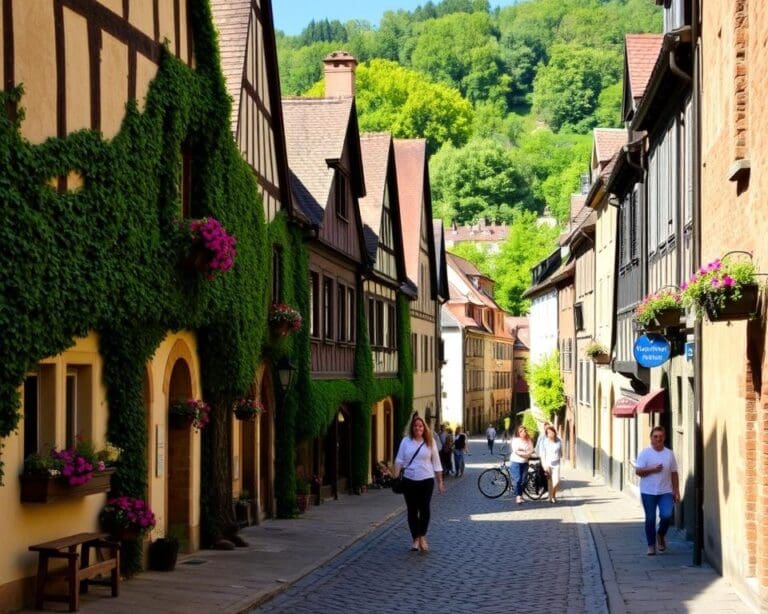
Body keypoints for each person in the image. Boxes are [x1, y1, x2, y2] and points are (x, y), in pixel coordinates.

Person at [394, 415, 445, 552]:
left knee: (424, 509)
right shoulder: (406, 441)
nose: (418, 428)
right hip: (409, 480)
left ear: (424, 428)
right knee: (412, 510)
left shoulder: (430, 442)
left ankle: (422, 536)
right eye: (416, 426)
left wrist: (440, 482)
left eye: (420, 426)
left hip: (426, 480)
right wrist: (396, 477)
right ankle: (415, 538)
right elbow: (399, 460)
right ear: (412, 427)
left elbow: (436, 462)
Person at [635, 425, 680, 556]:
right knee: (650, 518)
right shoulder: (645, 453)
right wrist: (652, 469)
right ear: (651, 438)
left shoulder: (669, 454)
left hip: (665, 491)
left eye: (660, 437)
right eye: (655, 437)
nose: (658, 439)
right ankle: (651, 545)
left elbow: (674, 472)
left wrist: (676, 490)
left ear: (664, 438)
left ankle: (660, 535)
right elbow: (638, 471)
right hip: (648, 491)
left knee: (666, 515)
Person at [509, 425, 534, 505]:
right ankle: (518, 496)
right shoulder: (515, 440)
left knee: (523, 480)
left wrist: (524, 452)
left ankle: (520, 494)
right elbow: (516, 451)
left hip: (525, 463)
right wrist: (526, 453)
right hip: (515, 462)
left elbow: (531, 450)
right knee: (518, 480)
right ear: (518, 433)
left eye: (524, 431)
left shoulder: (529, 440)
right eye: (521, 431)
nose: (523, 433)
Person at [540, 425, 562, 503]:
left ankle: (552, 494)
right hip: (548, 464)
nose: (550, 434)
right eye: (548, 433)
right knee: (550, 482)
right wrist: (544, 465)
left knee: (557, 481)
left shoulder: (559, 440)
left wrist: (560, 456)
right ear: (546, 434)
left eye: (551, 432)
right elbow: (542, 454)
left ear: (554, 432)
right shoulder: (544, 442)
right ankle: (552, 497)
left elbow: (560, 451)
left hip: (557, 463)